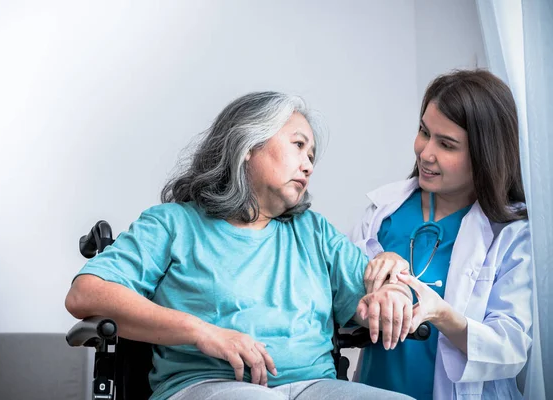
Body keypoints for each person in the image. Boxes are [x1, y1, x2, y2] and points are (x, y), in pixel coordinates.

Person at [65, 92, 415, 400]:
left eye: (312, 155)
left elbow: (379, 297)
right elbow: (85, 294)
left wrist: (392, 291)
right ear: (248, 145)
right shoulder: (173, 225)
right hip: (203, 384)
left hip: (314, 386)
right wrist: (202, 332)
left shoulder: (314, 232)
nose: (308, 164)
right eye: (298, 145)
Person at [350, 69, 533, 399]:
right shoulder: (383, 212)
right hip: (375, 389)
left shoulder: (511, 234)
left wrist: (441, 314)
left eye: (446, 144)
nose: (425, 152)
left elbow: (511, 348)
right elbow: (340, 305)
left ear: (485, 154)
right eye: (424, 131)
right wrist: (366, 284)